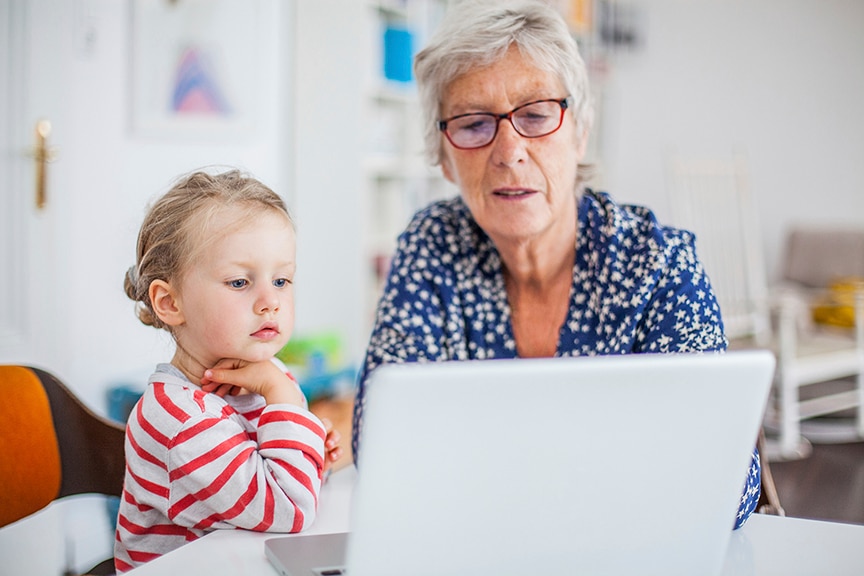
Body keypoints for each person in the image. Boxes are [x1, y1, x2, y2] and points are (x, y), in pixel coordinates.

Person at [352, 0, 761, 529]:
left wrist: (481, 464)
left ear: (580, 131)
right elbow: (382, 445)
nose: (509, 151)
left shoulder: (657, 261)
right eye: (474, 125)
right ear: (444, 158)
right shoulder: (431, 246)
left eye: (536, 114)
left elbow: (725, 481)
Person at [115, 169, 342, 572]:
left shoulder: (266, 377)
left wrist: (311, 455)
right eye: (240, 282)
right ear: (169, 302)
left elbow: (291, 485)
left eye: (282, 280)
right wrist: (284, 399)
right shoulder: (180, 421)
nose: (270, 301)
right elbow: (289, 509)